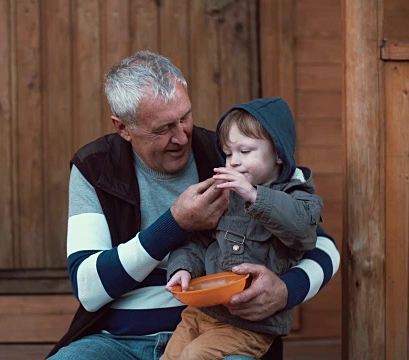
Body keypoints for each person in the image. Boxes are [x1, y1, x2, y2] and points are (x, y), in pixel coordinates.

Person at [47, 51, 340, 360]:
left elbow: (323, 246)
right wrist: (174, 224)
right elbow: (89, 289)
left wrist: (286, 290)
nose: (182, 137)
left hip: (224, 332)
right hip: (116, 340)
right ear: (123, 128)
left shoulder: (229, 158)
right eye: (163, 129)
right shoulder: (94, 167)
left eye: (185, 117)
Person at [162, 98, 323, 360]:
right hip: (203, 311)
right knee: (172, 355)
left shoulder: (299, 196)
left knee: (193, 356)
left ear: (279, 153)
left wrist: (254, 195)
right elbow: (198, 239)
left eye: (245, 151)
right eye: (228, 153)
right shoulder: (226, 194)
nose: (233, 162)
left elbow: (302, 231)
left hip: (250, 326)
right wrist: (183, 268)